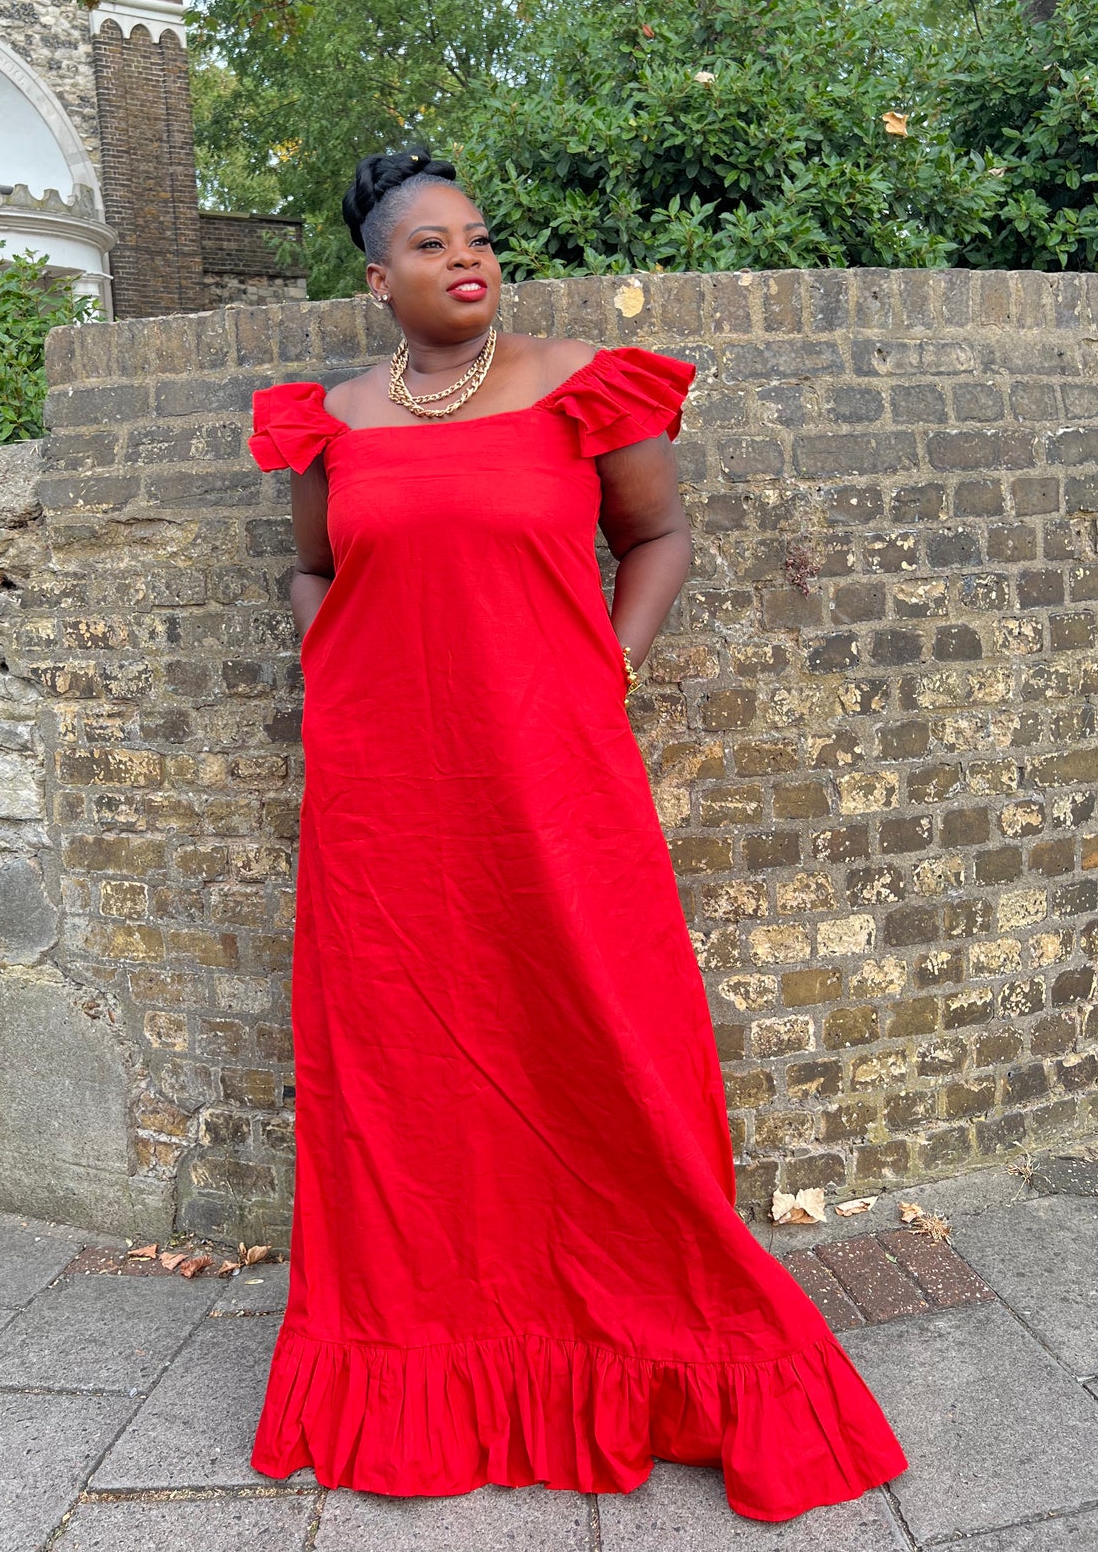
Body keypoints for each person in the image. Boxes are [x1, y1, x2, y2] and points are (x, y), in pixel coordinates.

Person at [245, 148, 908, 1519]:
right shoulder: (327, 420)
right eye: (429, 245)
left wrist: (599, 672)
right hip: (386, 797)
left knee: (603, 1032)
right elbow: (313, 566)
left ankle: (664, 1334)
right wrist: (343, 681)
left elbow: (655, 540)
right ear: (379, 279)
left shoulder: (581, 388)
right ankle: (431, 1349)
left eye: (478, 237)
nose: (465, 258)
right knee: (408, 1065)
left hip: (555, 772)